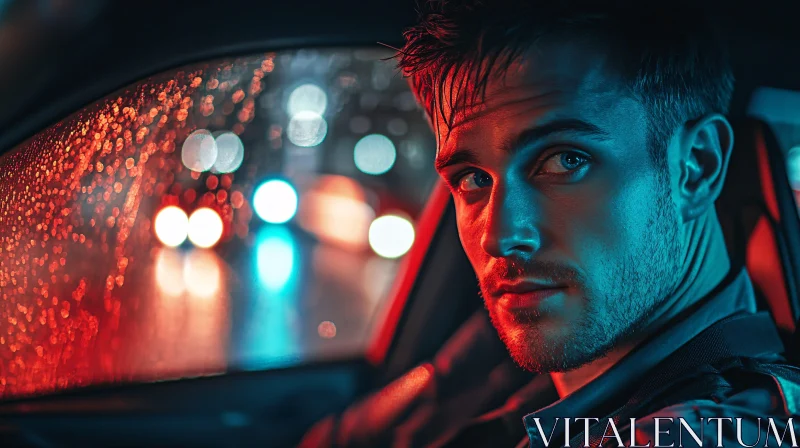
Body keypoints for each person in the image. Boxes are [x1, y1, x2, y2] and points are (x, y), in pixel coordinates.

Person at [301, 1, 800, 446]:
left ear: (696, 167)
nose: (500, 236)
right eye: (473, 177)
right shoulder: (523, 347)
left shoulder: (713, 430)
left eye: (565, 161)